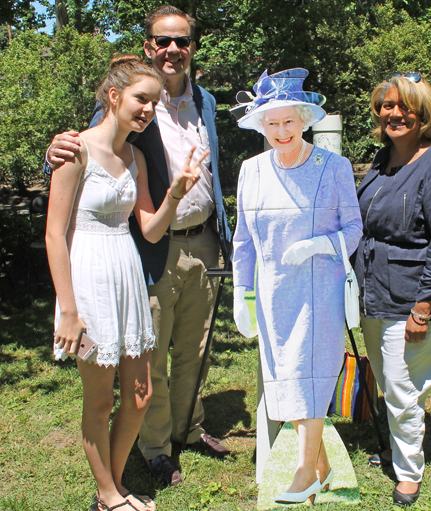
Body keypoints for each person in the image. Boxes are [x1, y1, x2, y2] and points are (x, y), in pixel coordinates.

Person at [45, 5, 231, 487]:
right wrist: (53, 154)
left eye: (182, 41)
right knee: (151, 354)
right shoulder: (129, 98)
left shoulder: (205, 101)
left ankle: (188, 429)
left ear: (192, 46)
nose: (173, 49)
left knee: (193, 347)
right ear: (149, 45)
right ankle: (155, 448)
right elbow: (84, 153)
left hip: (204, 240)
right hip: (149, 250)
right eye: (163, 41)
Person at [231, 69, 363, 505]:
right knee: (285, 378)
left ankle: (305, 472)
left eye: (289, 121)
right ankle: (322, 467)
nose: (281, 131)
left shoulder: (334, 167)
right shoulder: (250, 171)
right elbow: (244, 241)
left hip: (319, 291)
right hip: (272, 295)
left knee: (310, 377)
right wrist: (241, 293)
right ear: (260, 126)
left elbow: (354, 229)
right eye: (272, 123)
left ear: (305, 120)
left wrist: (318, 245)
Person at [353, 72, 431, 507]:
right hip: (375, 293)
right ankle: (400, 445)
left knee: (404, 388)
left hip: (412, 297)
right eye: (387, 105)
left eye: (406, 107)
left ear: (424, 115)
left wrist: (423, 308)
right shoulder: (382, 159)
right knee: (391, 382)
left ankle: (408, 472)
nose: (395, 113)